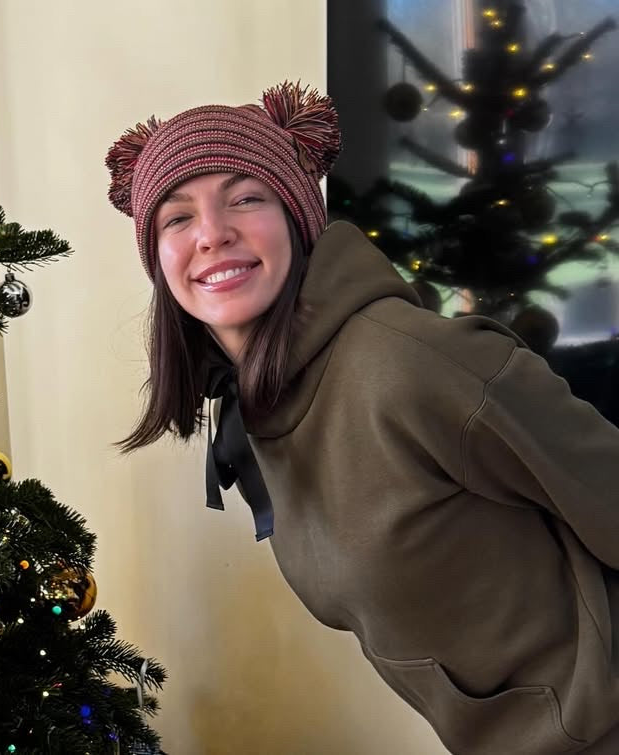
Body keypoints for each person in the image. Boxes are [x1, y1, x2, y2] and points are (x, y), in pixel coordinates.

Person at [105, 81, 619, 755]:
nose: (212, 233)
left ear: (297, 216)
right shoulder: (259, 403)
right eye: (177, 216)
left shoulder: (412, 366)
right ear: (157, 255)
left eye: (246, 196)